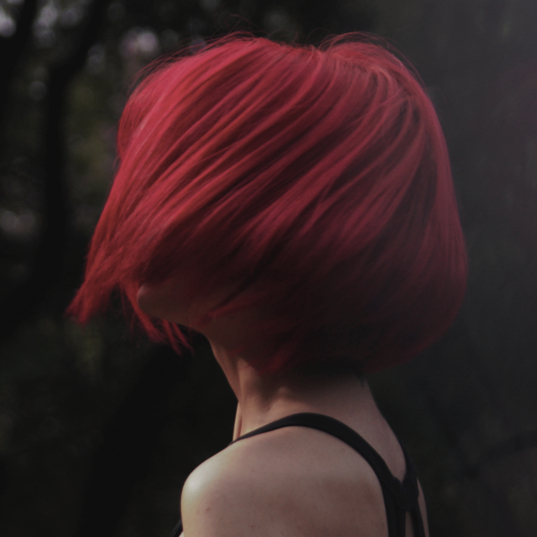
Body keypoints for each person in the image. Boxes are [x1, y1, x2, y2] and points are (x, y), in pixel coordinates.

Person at [68, 33, 467, 537]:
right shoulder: (374, 456)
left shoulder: (243, 489)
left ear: (275, 224)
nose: (148, 217)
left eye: (190, 186)